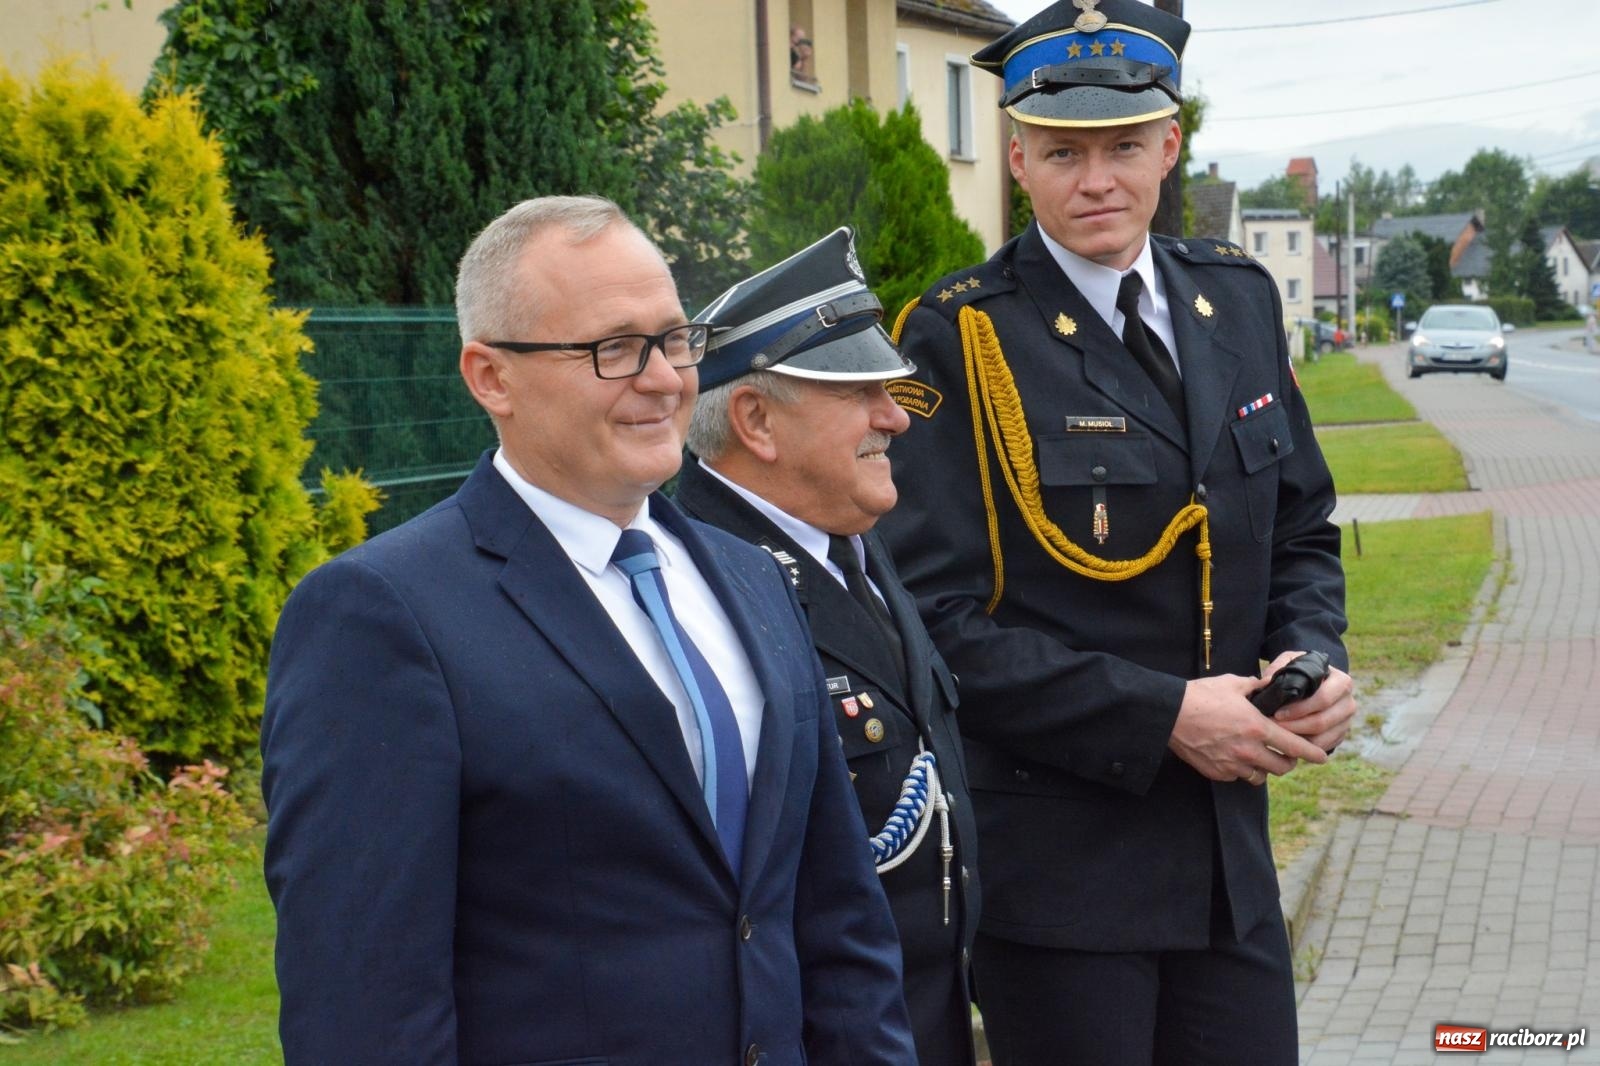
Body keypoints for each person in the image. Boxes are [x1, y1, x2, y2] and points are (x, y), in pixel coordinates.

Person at [261, 195, 917, 1066]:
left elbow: (837, 919)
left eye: (675, 339)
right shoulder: (382, 616)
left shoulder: (752, 578)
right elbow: (363, 1002)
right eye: (613, 349)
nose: (664, 379)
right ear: (491, 376)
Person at [877, 2, 1359, 1063]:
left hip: (1226, 866)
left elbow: (1299, 530)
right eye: (1062, 152)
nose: (1096, 180)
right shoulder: (959, 337)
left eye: (1124, 146)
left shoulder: (1232, 302)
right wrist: (1163, 718)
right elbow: (934, 623)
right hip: (1062, 880)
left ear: (1169, 145)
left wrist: (1312, 655)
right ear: (1016, 159)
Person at [675, 228, 982, 1066]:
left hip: (924, 1017)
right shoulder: (698, 584)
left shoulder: (848, 537)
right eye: (859, 394)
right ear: (756, 420)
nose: (895, 418)